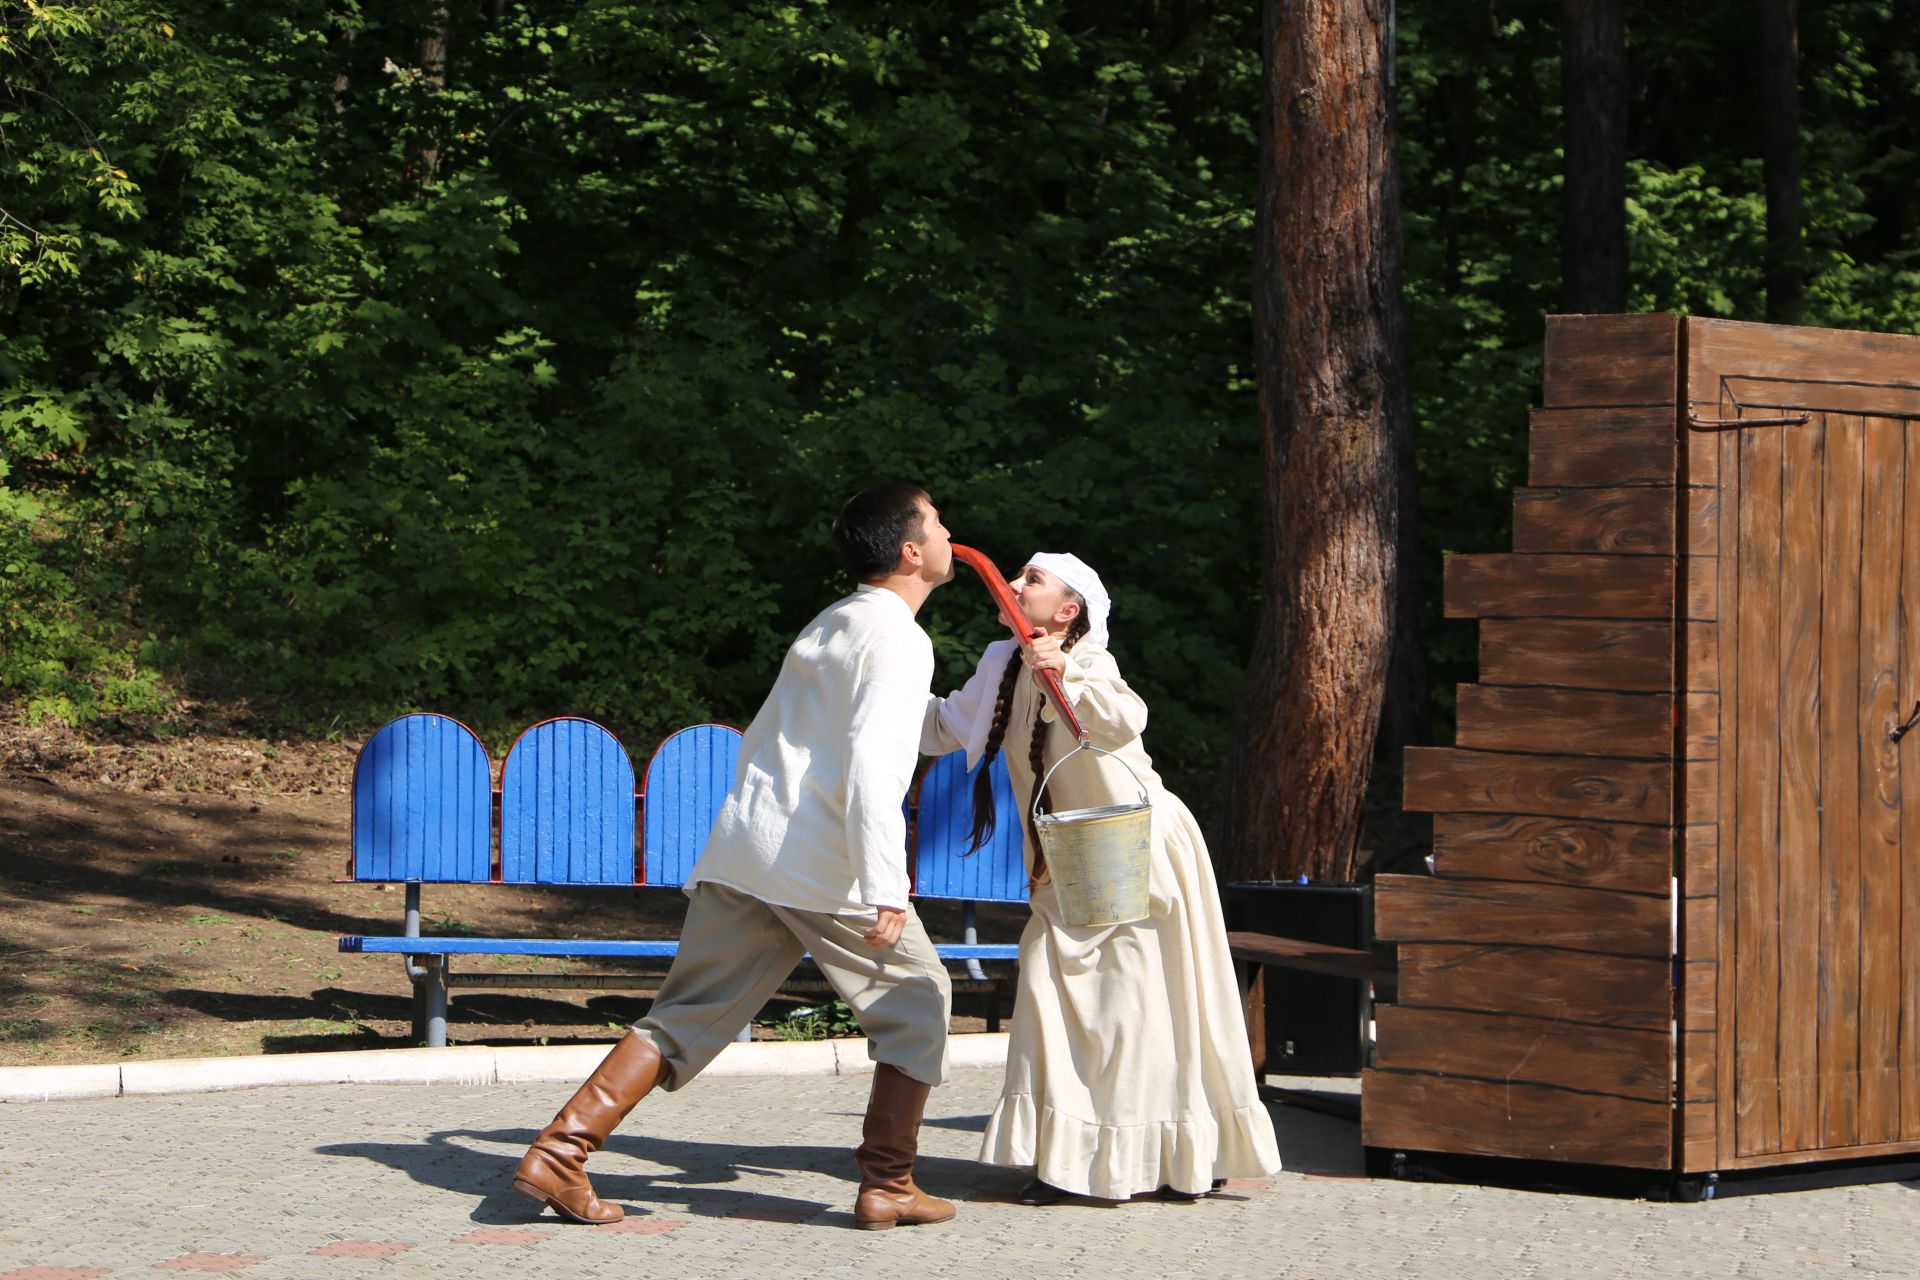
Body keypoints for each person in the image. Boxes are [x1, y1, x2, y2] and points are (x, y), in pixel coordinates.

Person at [513, 482, 960, 1231]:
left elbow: (927, 728)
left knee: (683, 1015)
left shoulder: (836, 624)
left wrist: (1000, 688)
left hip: (752, 847)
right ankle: (888, 1183)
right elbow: (876, 764)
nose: (953, 532)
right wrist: (888, 884)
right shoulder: (900, 639)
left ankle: (559, 1154)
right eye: (940, 521)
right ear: (912, 550)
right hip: (821, 860)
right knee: (920, 1001)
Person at [921, 553, 1281, 1203]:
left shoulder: (1089, 662)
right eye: (1021, 574)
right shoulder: (1002, 662)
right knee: (1081, 995)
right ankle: (1096, 1157)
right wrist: (868, 700)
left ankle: (1169, 1153)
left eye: (1035, 579)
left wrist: (1068, 676)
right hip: (1077, 857)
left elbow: (1121, 721)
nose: (1018, 583)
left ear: (1068, 611)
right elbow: (947, 724)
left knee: (1138, 1005)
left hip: (1134, 848)